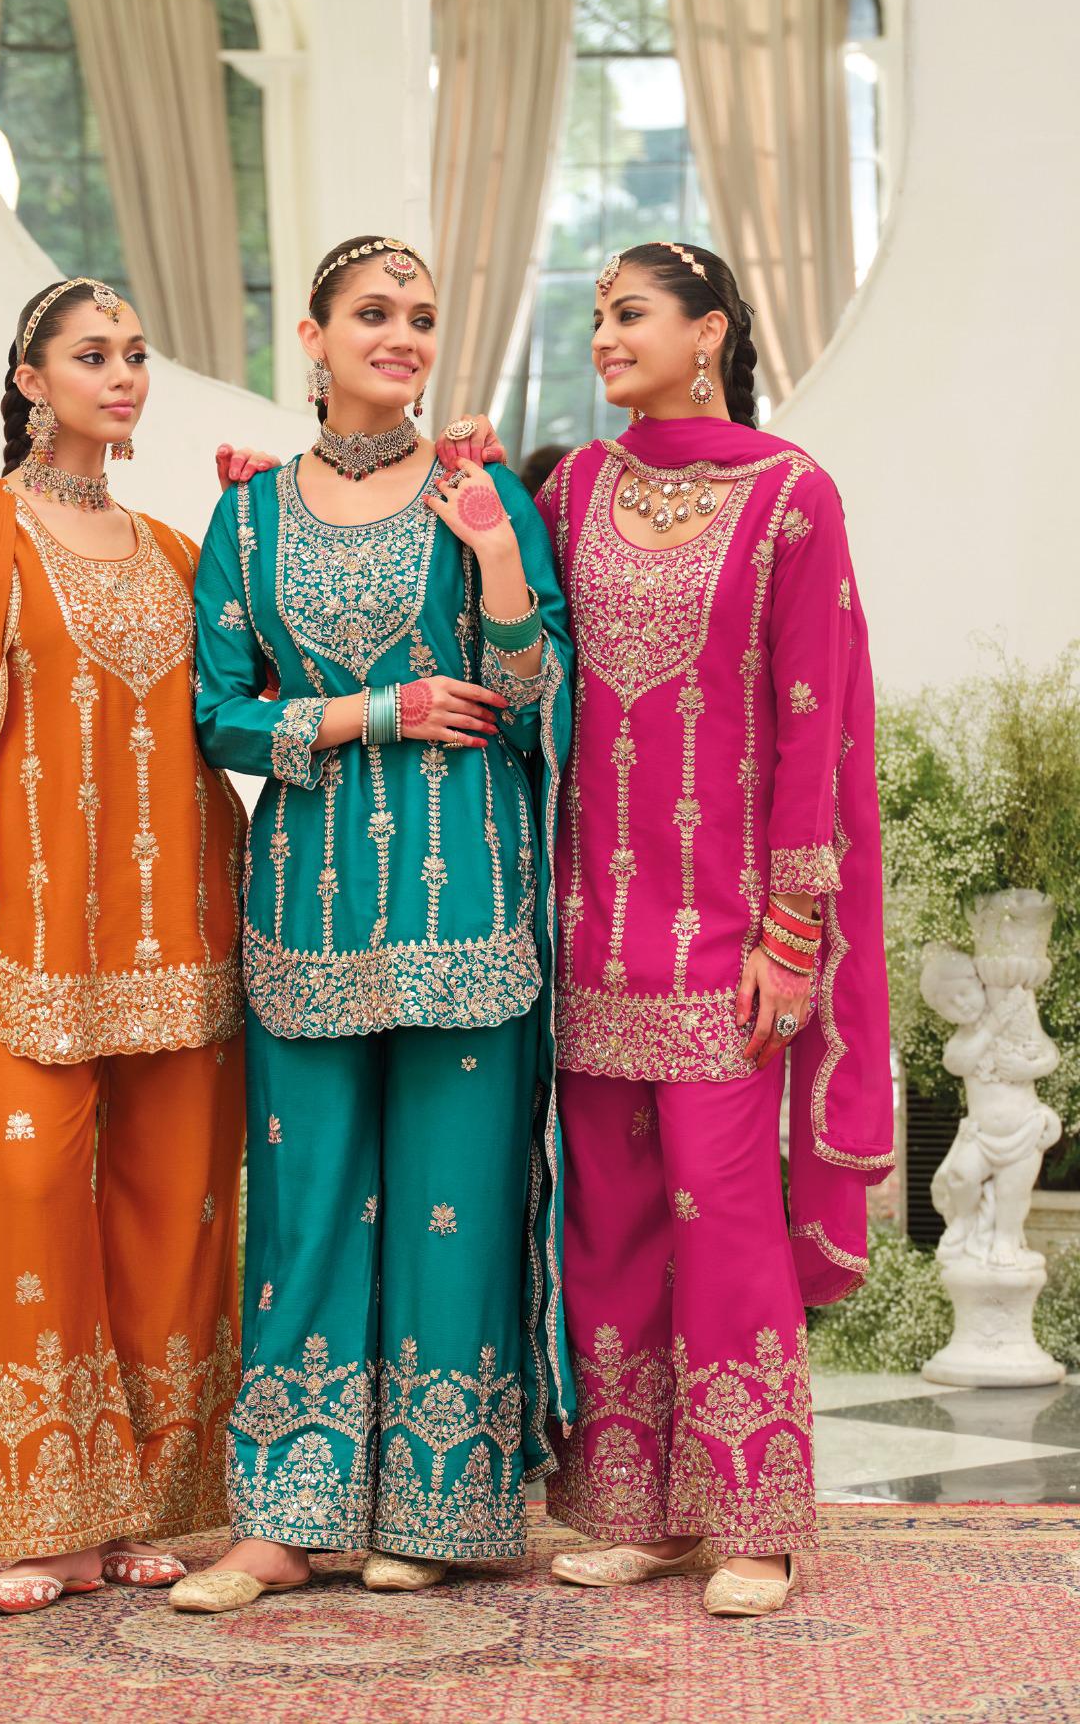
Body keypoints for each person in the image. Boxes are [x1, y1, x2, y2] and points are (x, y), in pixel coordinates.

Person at [421, 242, 890, 1618]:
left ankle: (753, 1515)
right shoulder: (576, 489)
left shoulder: (791, 496)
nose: (605, 338)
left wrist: (792, 931)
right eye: (597, 318)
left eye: (630, 315)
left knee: (725, 1211)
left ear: (711, 332)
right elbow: (521, 652)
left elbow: (815, 714)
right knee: (611, 1219)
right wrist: (473, 505)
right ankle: (635, 1510)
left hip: (726, 938)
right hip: (588, 928)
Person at [181, 236, 572, 1612]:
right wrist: (375, 711)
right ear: (313, 337)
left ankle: (440, 1504)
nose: (399, 335)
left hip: (468, 901)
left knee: (453, 1210)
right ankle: (282, 1520)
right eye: (371, 313)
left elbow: (538, 692)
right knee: (305, 1210)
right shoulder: (247, 518)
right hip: (308, 909)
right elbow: (217, 712)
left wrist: (497, 563)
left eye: (418, 315)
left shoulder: (480, 491)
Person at [0, 278, 247, 1616]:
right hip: (30, 950)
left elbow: (240, 712)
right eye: (93, 355)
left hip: (184, 939)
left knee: (167, 1215)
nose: (123, 375)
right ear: (31, 379)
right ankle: (47, 1517)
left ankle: (143, 1508)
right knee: (33, 1199)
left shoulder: (180, 551)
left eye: (136, 354)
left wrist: (260, 534)